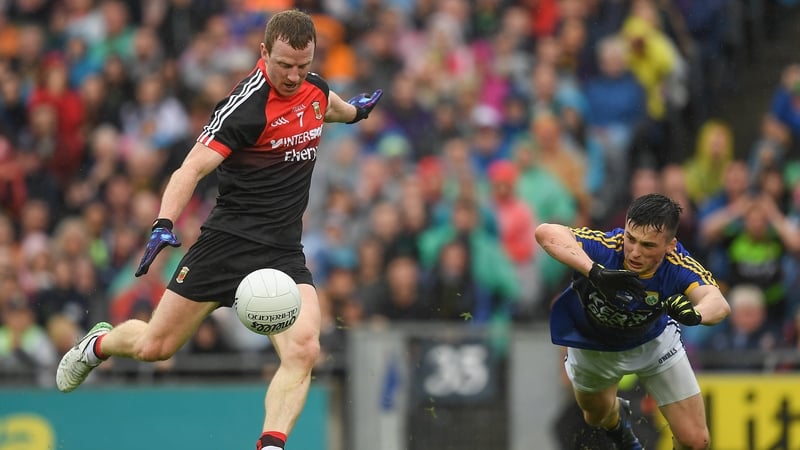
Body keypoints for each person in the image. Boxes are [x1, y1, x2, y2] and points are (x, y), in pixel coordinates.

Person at [55, 10, 383, 450]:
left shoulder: (315, 90)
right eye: (284, 64)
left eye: (303, 66)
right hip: (224, 247)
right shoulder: (244, 107)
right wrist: (163, 223)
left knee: (304, 349)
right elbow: (190, 167)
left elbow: (333, 107)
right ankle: (99, 344)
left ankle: (270, 445)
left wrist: (357, 112)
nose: (293, 75)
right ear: (263, 52)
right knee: (155, 346)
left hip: (283, 254)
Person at [534, 193, 731, 449]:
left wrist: (696, 315)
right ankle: (618, 420)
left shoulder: (678, 264)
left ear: (670, 245)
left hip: (653, 342)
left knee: (696, 441)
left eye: (648, 246)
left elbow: (718, 303)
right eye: (631, 239)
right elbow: (545, 233)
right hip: (593, 346)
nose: (635, 252)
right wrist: (595, 271)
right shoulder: (608, 247)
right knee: (595, 416)